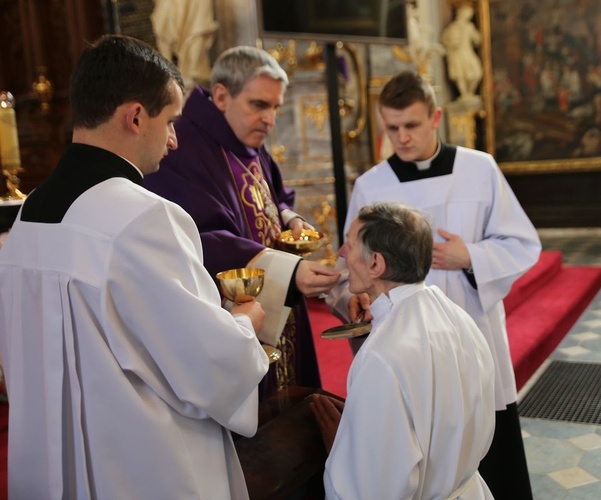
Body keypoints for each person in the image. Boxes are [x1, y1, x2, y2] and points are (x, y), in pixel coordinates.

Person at [0, 35, 269, 498]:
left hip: (51, 467)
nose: (173, 139)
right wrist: (244, 326)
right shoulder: (143, 217)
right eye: (170, 121)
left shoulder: (28, 217)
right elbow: (205, 366)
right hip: (141, 469)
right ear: (136, 116)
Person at [326, 70, 541, 499]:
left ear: (436, 117)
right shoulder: (372, 184)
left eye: (412, 125)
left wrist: (472, 257)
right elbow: (354, 257)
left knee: (478, 439)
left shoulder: (479, 169)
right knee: (411, 437)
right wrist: (350, 296)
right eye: (392, 128)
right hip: (400, 338)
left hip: (467, 326)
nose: (401, 138)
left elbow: (523, 242)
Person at [144, 46, 340, 399]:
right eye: (259, 105)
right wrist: (287, 272)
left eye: (275, 107)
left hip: (280, 302)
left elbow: (274, 195)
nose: (270, 119)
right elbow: (198, 236)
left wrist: (289, 217)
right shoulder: (182, 146)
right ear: (221, 95)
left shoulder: (244, 136)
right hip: (232, 314)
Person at [312, 202, 496, 499]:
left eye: (348, 244)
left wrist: (343, 449)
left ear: (375, 264)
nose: (343, 254)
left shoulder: (382, 355)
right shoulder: (458, 317)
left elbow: (373, 488)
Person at [441, 4, 484, 101]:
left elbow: (476, 39)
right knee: (460, 74)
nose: (468, 16)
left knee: (477, 73)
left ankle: (469, 94)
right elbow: (445, 39)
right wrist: (452, 43)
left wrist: (477, 38)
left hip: (468, 51)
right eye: (467, 13)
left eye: (470, 14)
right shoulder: (454, 26)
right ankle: (464, 94)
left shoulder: (469, 26)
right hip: (458, 53)